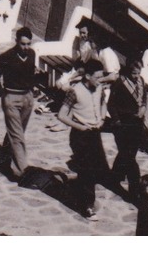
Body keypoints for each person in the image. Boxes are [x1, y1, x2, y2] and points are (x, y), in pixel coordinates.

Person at [60, 66, 111, 220]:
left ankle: (80, 192)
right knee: (87, 170)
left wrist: (102, 118)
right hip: (80, 135)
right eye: (97, 77)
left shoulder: (99, 88)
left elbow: (103, 103)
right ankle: (87, 207)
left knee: (96, 169)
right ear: (88, 76)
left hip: (94, 134)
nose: (100, 80)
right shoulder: (74, 91)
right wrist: (80, 126)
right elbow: (62, 115)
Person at [0, 25, 41, 182]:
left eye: (28, 44)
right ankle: (22, 172)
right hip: (11, 98)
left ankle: (3, 156)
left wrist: (35, 85)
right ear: (16, 41)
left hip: (27, 98)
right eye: (23, 44)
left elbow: (31, 75)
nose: (26, 47)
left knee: (17, 132)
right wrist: (2, 94)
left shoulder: (32, 54)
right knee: (17, 135)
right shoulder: (7, 56)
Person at [107, 50, 148, 196]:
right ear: (128, 70)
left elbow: (144, 98)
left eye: (138, 73)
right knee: (130, 158)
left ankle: (114, 176)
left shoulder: (141, 81)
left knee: (127, 154)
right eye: (134, 73)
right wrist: (117, 122)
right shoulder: (120, 83)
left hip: (136, 125)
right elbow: (111, 104)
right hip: (123, 125)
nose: (137, 76)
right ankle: (135, 190)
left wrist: (143, 107)